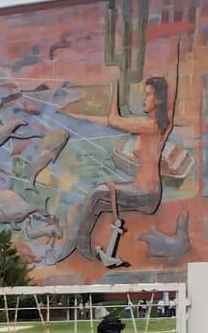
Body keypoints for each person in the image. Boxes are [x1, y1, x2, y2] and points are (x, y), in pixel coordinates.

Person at [52, 66, 178, 267]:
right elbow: (107, 122)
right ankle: (80, 245)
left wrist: (115, 87)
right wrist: (76, 116)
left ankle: (73, 244)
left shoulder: (152, 126)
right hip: (143, 190)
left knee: (96, 192)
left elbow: (113, 119)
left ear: (159, 100)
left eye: (147, 95)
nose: (143, 99)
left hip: (145, 193)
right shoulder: (153, 126)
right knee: (98, 203)